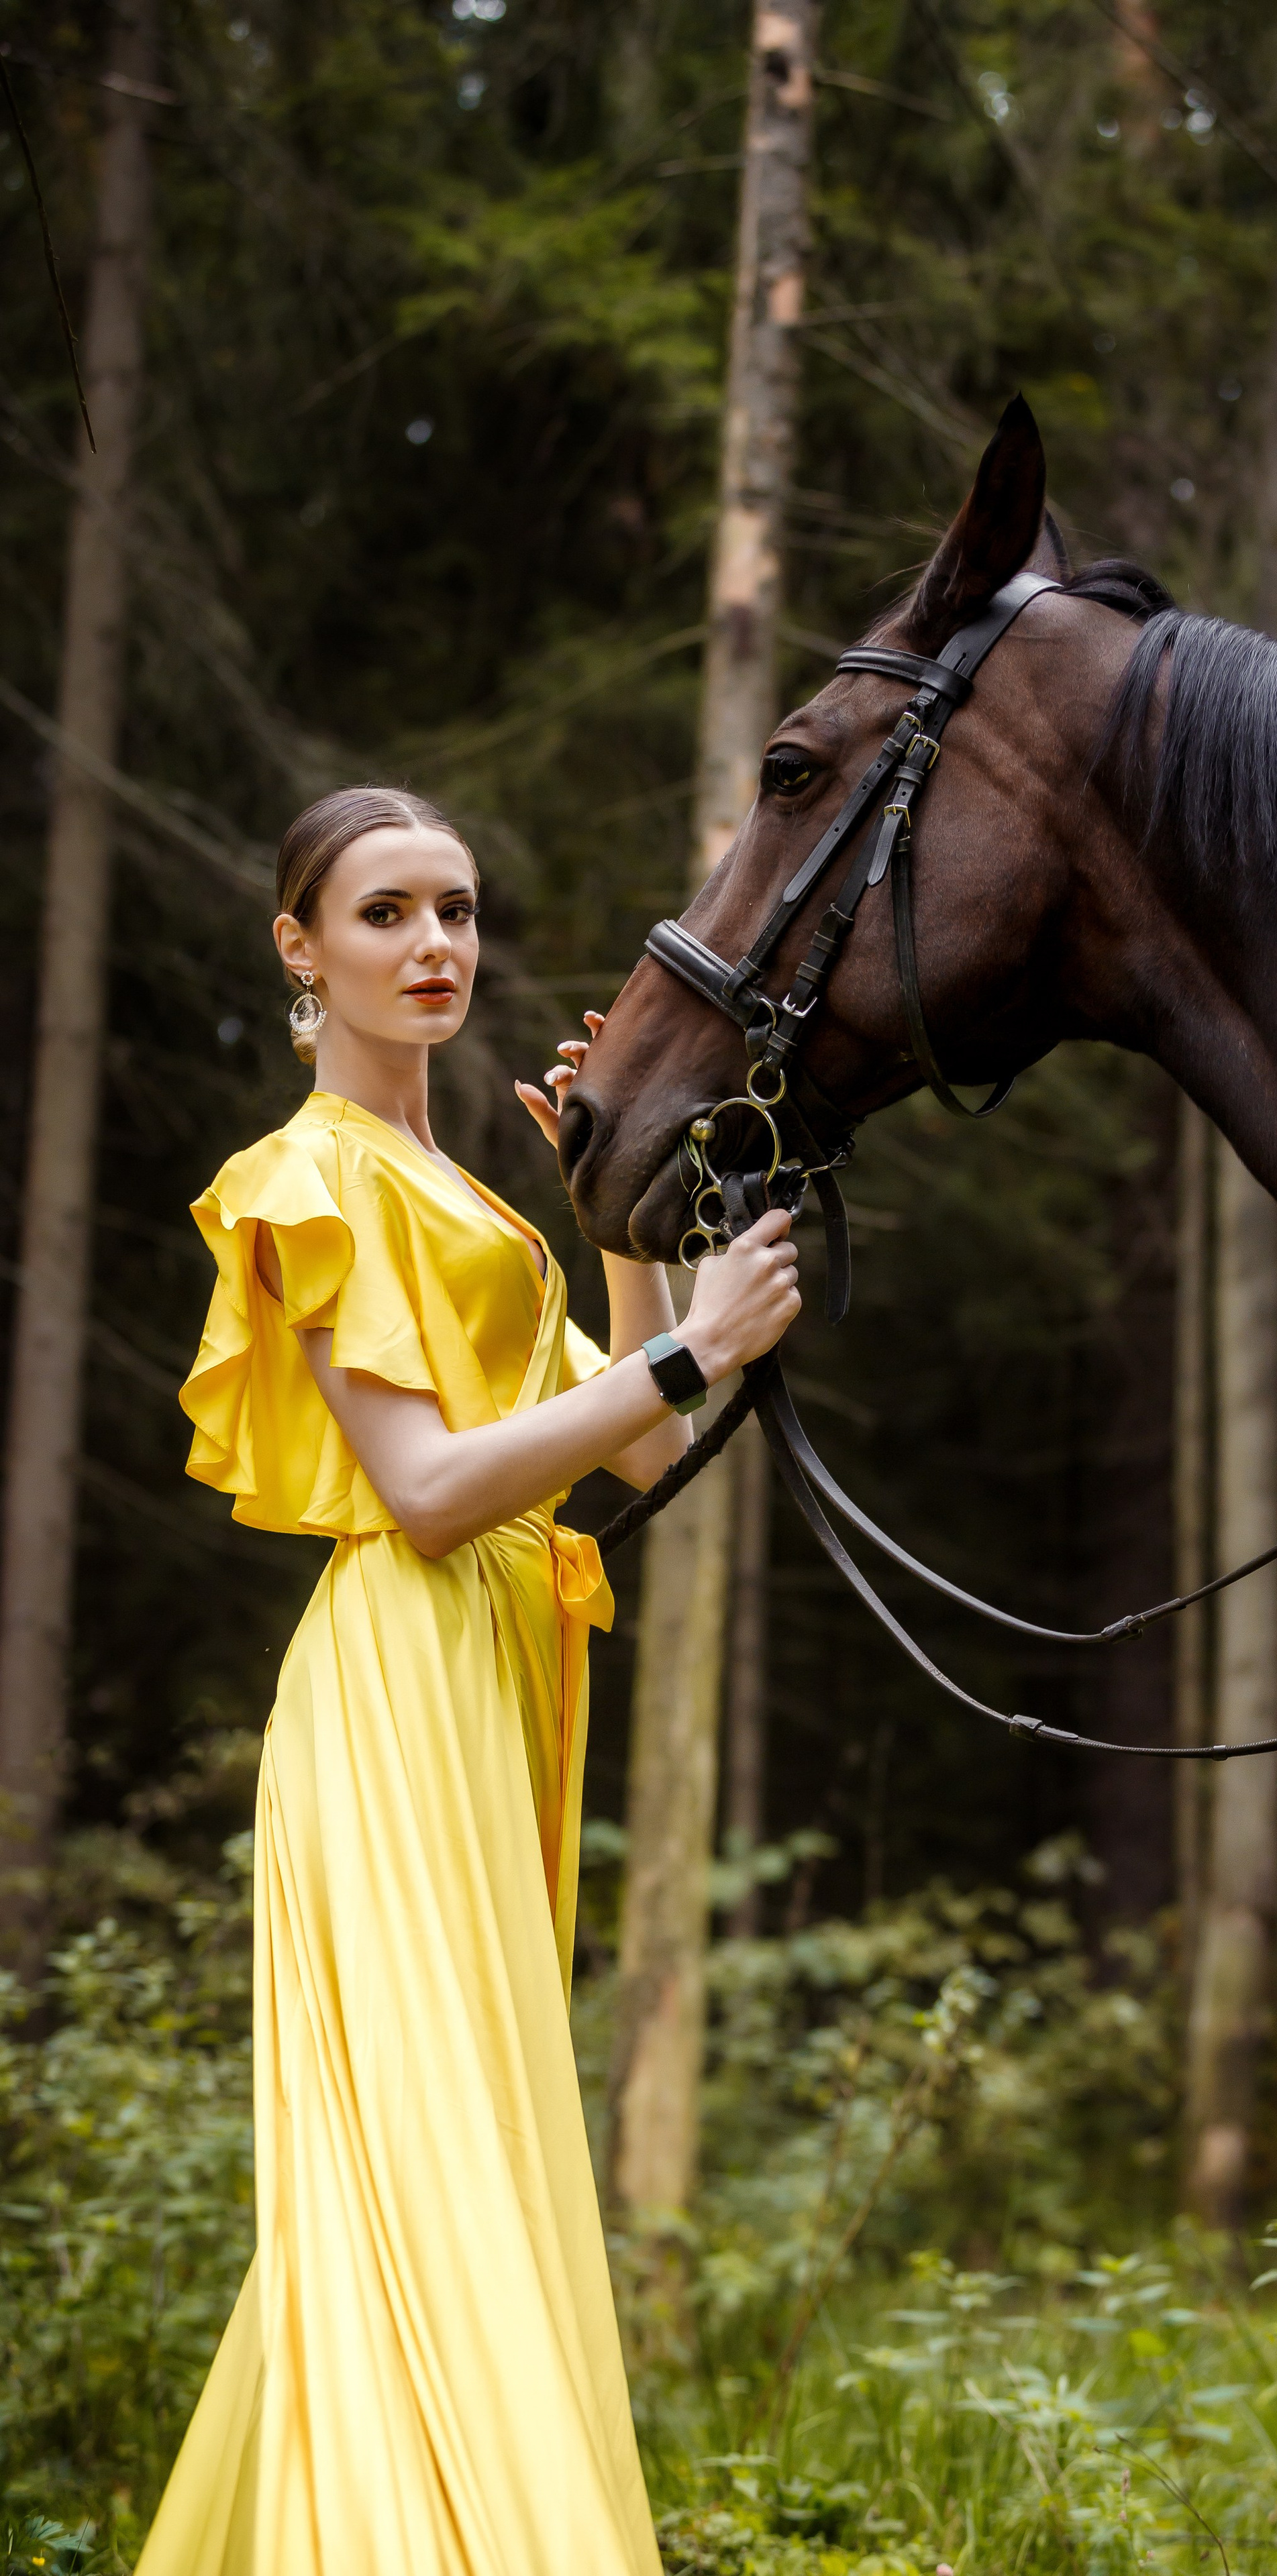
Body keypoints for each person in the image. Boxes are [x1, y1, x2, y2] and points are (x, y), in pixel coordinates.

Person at [136, 785, 799, 2571]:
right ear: (300, 946)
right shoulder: (309, 1181)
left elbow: (648, 1453)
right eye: (384, 914)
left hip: (496, 1689)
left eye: (458, 909)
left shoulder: (460, 1197)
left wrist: (612, 1207)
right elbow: (429, 1496)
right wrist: (687, 1356)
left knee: (469, 2164)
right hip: (394, 1699)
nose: (435, 945)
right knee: (415, 2175)